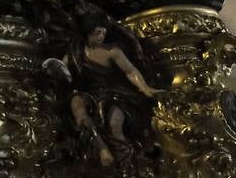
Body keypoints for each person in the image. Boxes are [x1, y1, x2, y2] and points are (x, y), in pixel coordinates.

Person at [44, 22, 160, 167]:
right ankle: (102, 148)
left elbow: (130, 71)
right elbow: (62, 71)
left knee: (115, 123)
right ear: (87, 34)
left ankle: (125, 163)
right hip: (89, 93)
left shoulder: (112, 51)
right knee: (77, 105)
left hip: (113, 93)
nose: (101, 36)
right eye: (97, 33)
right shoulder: (75, 54)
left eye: (103, 33)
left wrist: (145, 88)